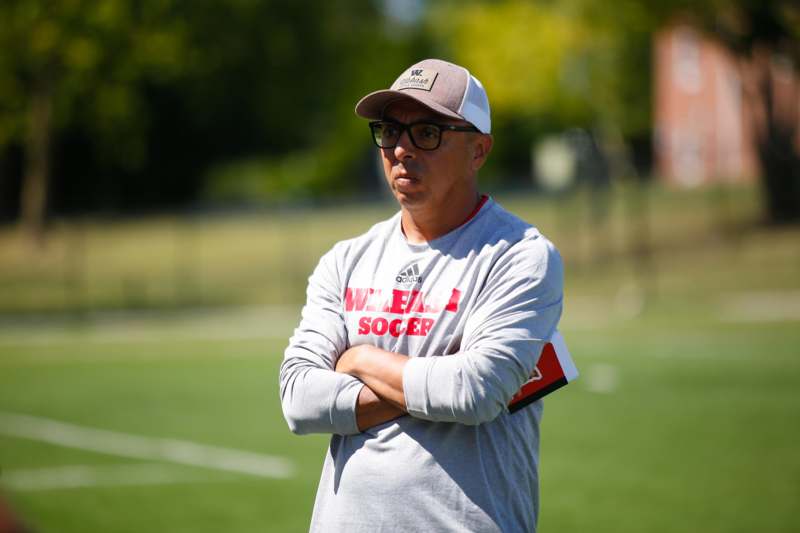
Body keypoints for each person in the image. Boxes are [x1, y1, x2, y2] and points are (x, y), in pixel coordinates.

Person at [279, 58, 564, 533]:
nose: (401, 149)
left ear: (479, 150)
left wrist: (360, 358)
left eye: (427, 132)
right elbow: (298, 399)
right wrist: (438, 376)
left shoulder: (520, 256)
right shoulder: (345, 259)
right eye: (390, 131)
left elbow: (474, 392)